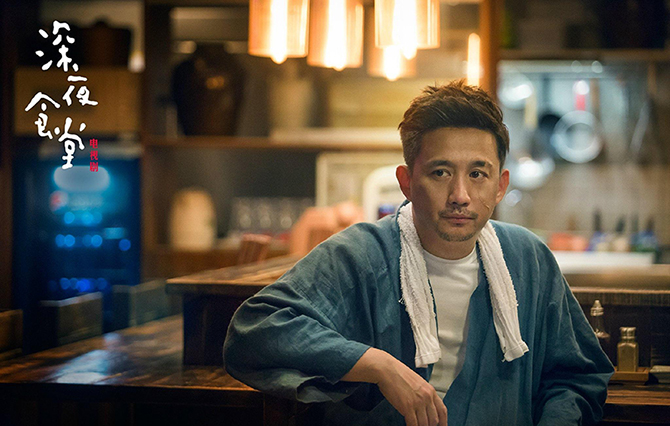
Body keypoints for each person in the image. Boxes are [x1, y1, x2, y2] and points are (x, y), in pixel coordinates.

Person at [223, 80, 614, 426]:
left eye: (477, 174)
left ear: (500, 185)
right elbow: (255, 330)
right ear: (407, 181)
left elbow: (575, 377)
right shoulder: (361, 255)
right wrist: (378, 366)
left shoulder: (528, 260)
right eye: (440, 172)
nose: (460, 195)